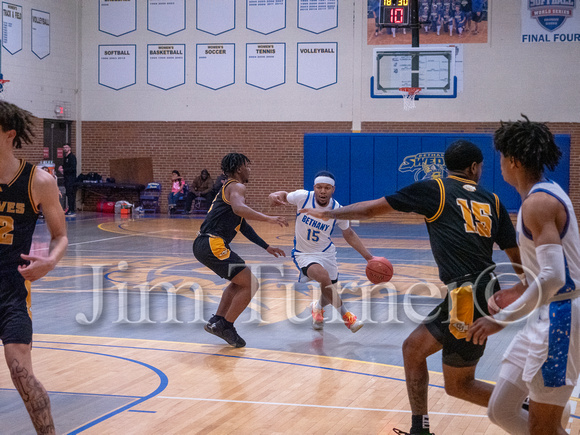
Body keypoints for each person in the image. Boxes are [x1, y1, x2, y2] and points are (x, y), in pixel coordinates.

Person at [301, 140, 521, 435]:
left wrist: (329, 214)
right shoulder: (494, 201)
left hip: (466, 298)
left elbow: (370, 210)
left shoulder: (436, 189)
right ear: (474, 168)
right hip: (476, 292)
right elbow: (519, 262)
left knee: (459, 385)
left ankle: (533, 411)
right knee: (413, 349)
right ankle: (420, 429)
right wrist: (517, 296)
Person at [467, 116, 580, 435]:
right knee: (501, 410)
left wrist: (501, 318)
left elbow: (555, 276)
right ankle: (560, 414)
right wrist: (518, 290)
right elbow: (546, 273)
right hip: (545, 314)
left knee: (541, 428)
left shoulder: (539, 203)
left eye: (501, 157)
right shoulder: (541, 196)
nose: (499, 164)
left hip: (560, 318)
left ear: (512, 160)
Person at [0, 101, 68, 434]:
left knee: (21, 374)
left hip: (11, 292)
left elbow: (61, 236)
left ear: (9, 134)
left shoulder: (38, 181)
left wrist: (50, 262)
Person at [193, 153, 288, 348]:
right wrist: (269, 218)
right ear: (239, 169)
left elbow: (242, 225)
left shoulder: (227, 188)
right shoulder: (237, 186)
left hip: (204, 244)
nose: (250, 169)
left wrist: (267, 247)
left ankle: (217, 320)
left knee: (239, 283)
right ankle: (226, 325)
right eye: (248, 166)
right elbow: (238, 209)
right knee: (251, 284)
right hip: (213, 243)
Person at [269, 171, 374, 333]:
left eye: (327, 188)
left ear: (333, 189)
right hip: (303, 254)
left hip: (326, 253)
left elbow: (349, 233)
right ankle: (347, 317)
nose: (322, 191)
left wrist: (369, 257)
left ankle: (317, 308)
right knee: (324, 278)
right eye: (319, 187)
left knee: (328, 290)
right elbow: (284, 195)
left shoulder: (338, 210)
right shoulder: (302, 197)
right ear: (314, 188)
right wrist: (274, 194)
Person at [58, 143, 77, 216]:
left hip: (71, 179)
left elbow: (72, 168)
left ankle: (72, 209)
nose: (65, 149)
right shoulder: (65, 157)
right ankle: (69, 208)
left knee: (71, 194)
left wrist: (64, 170)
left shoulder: (72, 157)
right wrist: (61, 167)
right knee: (68, 194)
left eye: (66, 147)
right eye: (64, 147)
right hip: (66, 178)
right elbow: (65, 165)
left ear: (69, 148)